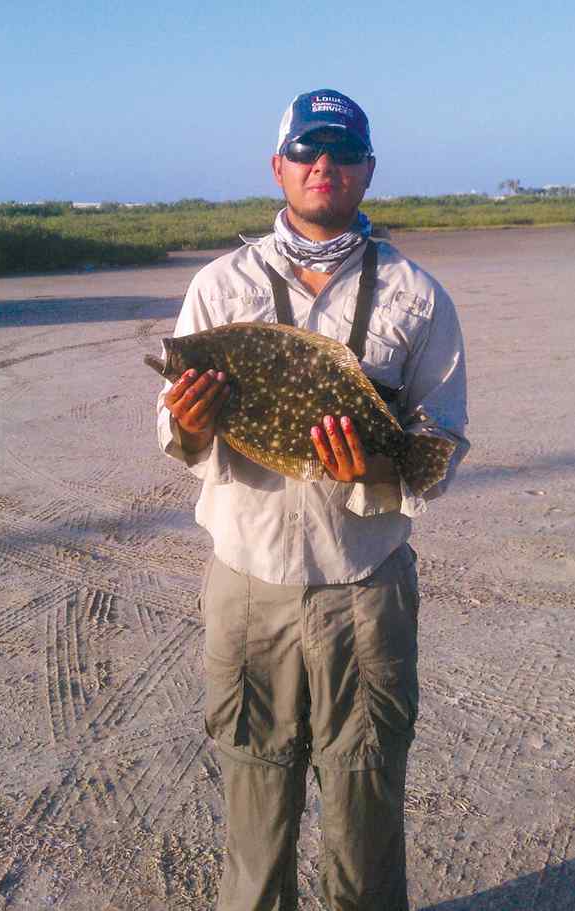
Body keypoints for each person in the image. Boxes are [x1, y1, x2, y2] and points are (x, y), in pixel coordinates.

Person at [156, 89, 469, 911]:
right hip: (247, 585)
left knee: (366, 817)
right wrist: (188, 424)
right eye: (306, 151)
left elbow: (441, 443)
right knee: (254, 824)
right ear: (279, 167)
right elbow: (175, 439)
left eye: (340, 151)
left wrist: (375, 461)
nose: (322, 165)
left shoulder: (418, 295)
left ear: (367, 169)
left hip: (365, 584)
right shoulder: (220, 285)